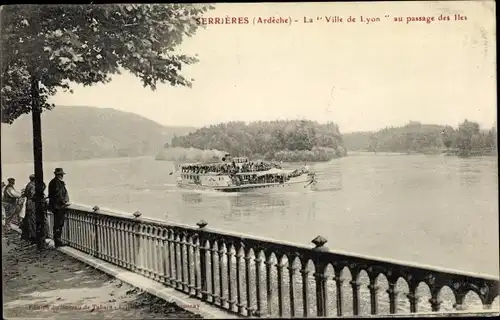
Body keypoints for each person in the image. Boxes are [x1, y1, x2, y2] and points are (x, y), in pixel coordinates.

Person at [48, 168, 70, 248]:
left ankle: (58, 240)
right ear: (59, 175)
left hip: (56, 206)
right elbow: (58, 195)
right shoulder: (57, 183)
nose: (62, 176)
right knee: (58, 224)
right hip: (58, 207)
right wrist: (64, 202)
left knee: (58, 224)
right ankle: (58, 241)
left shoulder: (53, 182)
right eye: (61, 175)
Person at [21, 174, 37, 243]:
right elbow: (33, 195)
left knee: (29, 220)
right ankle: (33, 237)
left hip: (28, 203)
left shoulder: (28, 184)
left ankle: (28, 236)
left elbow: (26, 194)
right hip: (32, 203)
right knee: (33, 220)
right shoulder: (33, 185)